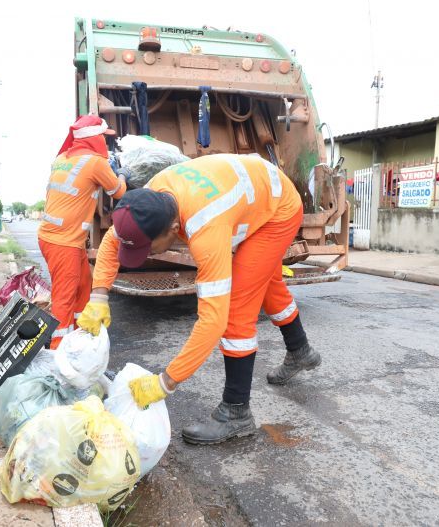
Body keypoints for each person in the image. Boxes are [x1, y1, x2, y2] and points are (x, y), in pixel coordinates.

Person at [77, 153, 321, 445]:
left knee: (236, 310)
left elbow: (213, 321)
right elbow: (113, 239)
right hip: (256, 192)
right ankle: (300, 351)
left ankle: (236, 412)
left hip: (279, 210)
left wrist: (166, 382)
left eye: (148, 248)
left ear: (173, 230)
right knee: (264, 282)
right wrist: (99, 295)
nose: (146, 255)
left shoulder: (206, 227)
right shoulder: (148, 200)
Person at [38, 115, 126, 348]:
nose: (105, 142)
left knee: (84, 286)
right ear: (94, 138)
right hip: (63, 243)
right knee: (64, 297)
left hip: (58, 238)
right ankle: (58, 352)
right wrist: (123, 173)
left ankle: (79, 337)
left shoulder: (62, 158)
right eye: (103, 137)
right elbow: (119, 192)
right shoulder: (95, 163)